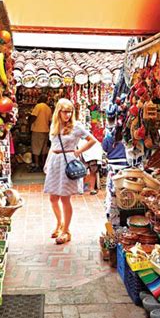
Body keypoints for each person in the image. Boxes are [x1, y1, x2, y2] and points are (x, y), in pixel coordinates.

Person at [43, 99, 97, 244]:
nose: (67, 115)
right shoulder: (54, 125)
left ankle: (66, 230)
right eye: (64, 111)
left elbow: (92, 140)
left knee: (64, 198)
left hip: (67, 162)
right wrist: (48, 164)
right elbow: (53, 145)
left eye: (70, 111)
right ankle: (59, 224)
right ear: (58, 112)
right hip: (55, 162)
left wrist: (78, 151)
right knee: (53, 198)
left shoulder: (76, 126)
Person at [29, 95, 52, 172]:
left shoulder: (38, 106)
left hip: (37, 130)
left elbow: (33, 116)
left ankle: (37, 164)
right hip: (45, 130)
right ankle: (43, 164)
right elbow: (50, 121)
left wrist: (29, 124)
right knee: (44, 148)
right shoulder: (48, 108)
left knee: (36, 148)